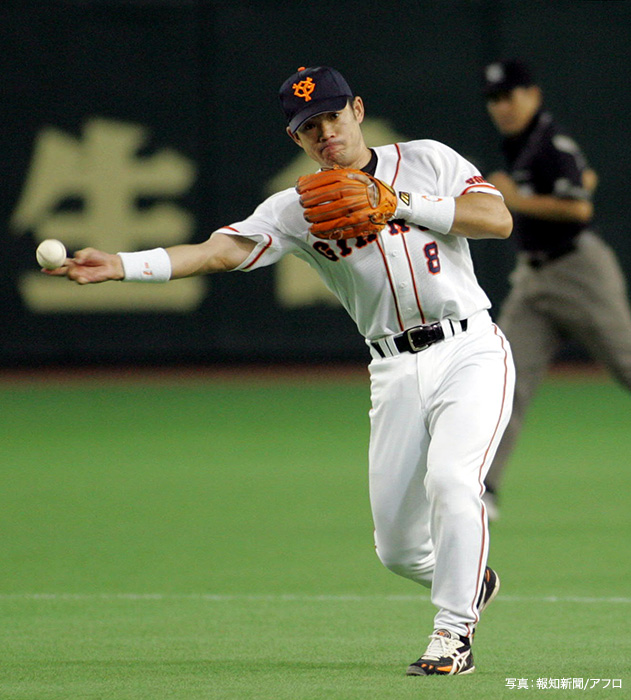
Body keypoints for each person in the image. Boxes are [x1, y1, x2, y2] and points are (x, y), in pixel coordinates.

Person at [47, 66, 515, 676]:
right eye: (309, 127)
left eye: (332, 117)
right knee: (398, 550)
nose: (325, 133)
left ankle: (452, 634)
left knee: (453, 481)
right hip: (393, 371)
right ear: (296, 139)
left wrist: (397, 201)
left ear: (358, 111)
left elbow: (495, 218)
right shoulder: (296, 208)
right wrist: (123, 264)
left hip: (469, 349)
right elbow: (218, 251)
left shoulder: (426, 160)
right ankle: (469, 578)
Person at [482, 59, 631, 520]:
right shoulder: (516, 146)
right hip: (534, 280)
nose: (503, 106)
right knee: (501, 379)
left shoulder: (550, 141)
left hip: (578, 273)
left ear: (533, 95)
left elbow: (578, 208)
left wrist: (518, 201)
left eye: (511, 95)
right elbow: (582, 180)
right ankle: (480, 490)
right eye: (494, 99)